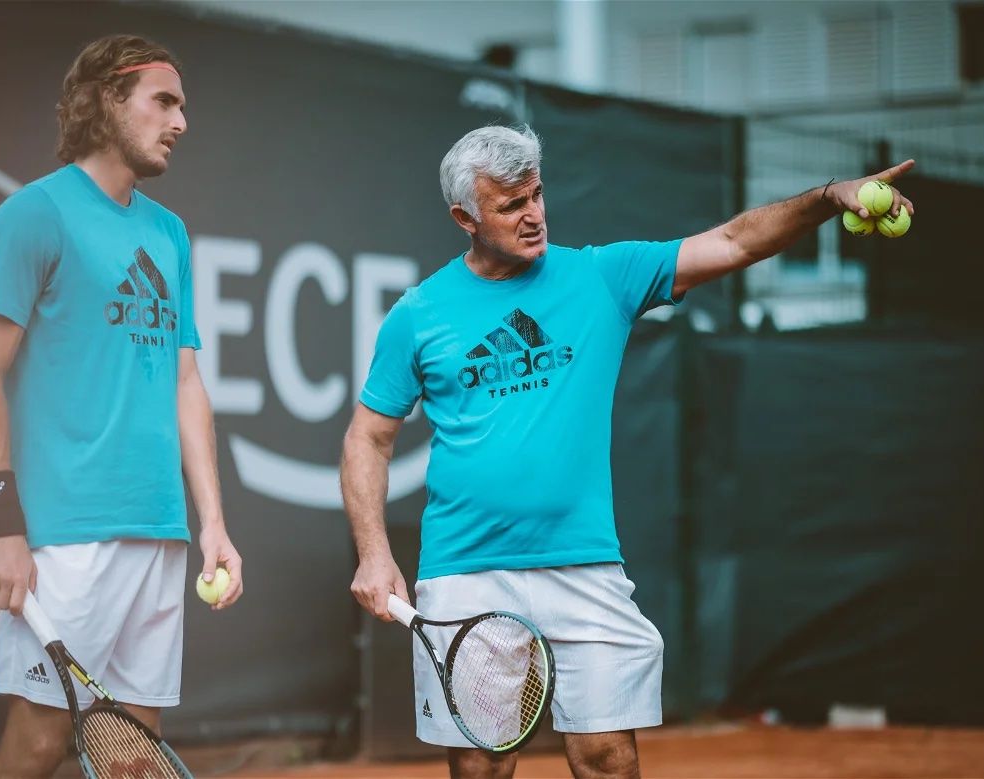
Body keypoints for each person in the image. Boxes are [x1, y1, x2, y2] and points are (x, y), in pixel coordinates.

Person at [341, 124, 914, 779]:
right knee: (480, 765)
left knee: (609, 759)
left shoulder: (601, 275)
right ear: (464, 217)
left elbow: (732, 240)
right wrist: (374, 549)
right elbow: (369, 435)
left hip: (584, 565)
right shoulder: (419, 313)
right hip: (466, 568)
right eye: (510, 205)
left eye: (537, 195)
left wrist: (830, 197)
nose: (533, 215)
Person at [0, 34, 243, 778]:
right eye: (164, 101)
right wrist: (1, 526)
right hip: (64, 540)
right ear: (108, 100)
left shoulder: (169, 232)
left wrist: (211, 522)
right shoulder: (35, 215)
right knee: (40, 745)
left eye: (181, 105)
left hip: (158, 532)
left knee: (130, 760)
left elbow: (186, 382)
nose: (181, 121)